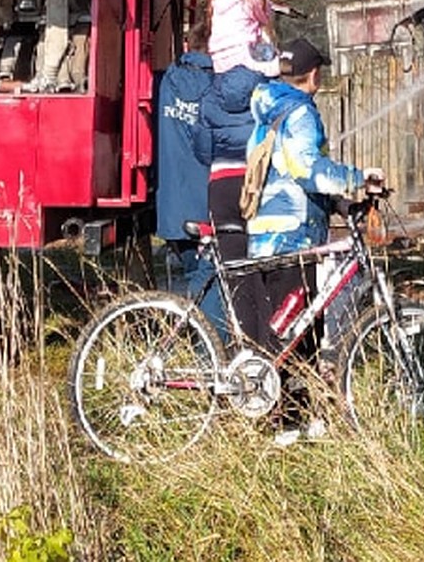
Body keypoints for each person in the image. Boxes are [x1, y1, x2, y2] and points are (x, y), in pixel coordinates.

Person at [245, 36, 380, 444]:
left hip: (270, 233)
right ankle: (283, 424)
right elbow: (306, 169)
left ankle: (298, 418)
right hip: (290, 236)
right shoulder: (300, 111)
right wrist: (358, 179)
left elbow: (287, 170)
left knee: (297, 330)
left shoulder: (271, 104)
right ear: (315, 75)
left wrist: (339, 205)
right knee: (293, 335)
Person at [194, 62, 267, 344]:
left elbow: (201, 150)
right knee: (261, 266)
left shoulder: (211, 96)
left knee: (234, 271)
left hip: (221, 184)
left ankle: (241, 345)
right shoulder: (263, 91)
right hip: (254, 183)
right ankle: (261, 347)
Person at [154, 23, 215, 309]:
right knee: (208, 283)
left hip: (171, 206)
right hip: (206, 204)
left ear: (187, 46)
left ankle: (197, 336)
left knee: (195, 274)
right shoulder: (219, 88)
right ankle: (202, 343)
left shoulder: (167, 82)